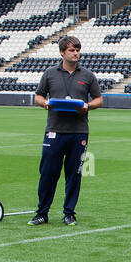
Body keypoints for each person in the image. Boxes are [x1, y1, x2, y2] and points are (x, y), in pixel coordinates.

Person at [31, 35, 102, 226]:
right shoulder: (49, 74)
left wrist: (87, 106)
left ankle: (69, 213)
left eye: (78, 50)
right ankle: (41, 213)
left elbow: (99, 99)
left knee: (74, 174)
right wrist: (45, 103)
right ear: (62, 52)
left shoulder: (87, 75)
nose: (76, 53)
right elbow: (38, 96)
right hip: (54, 130)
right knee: (47, 173)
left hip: (79, 132)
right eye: (72, 50)